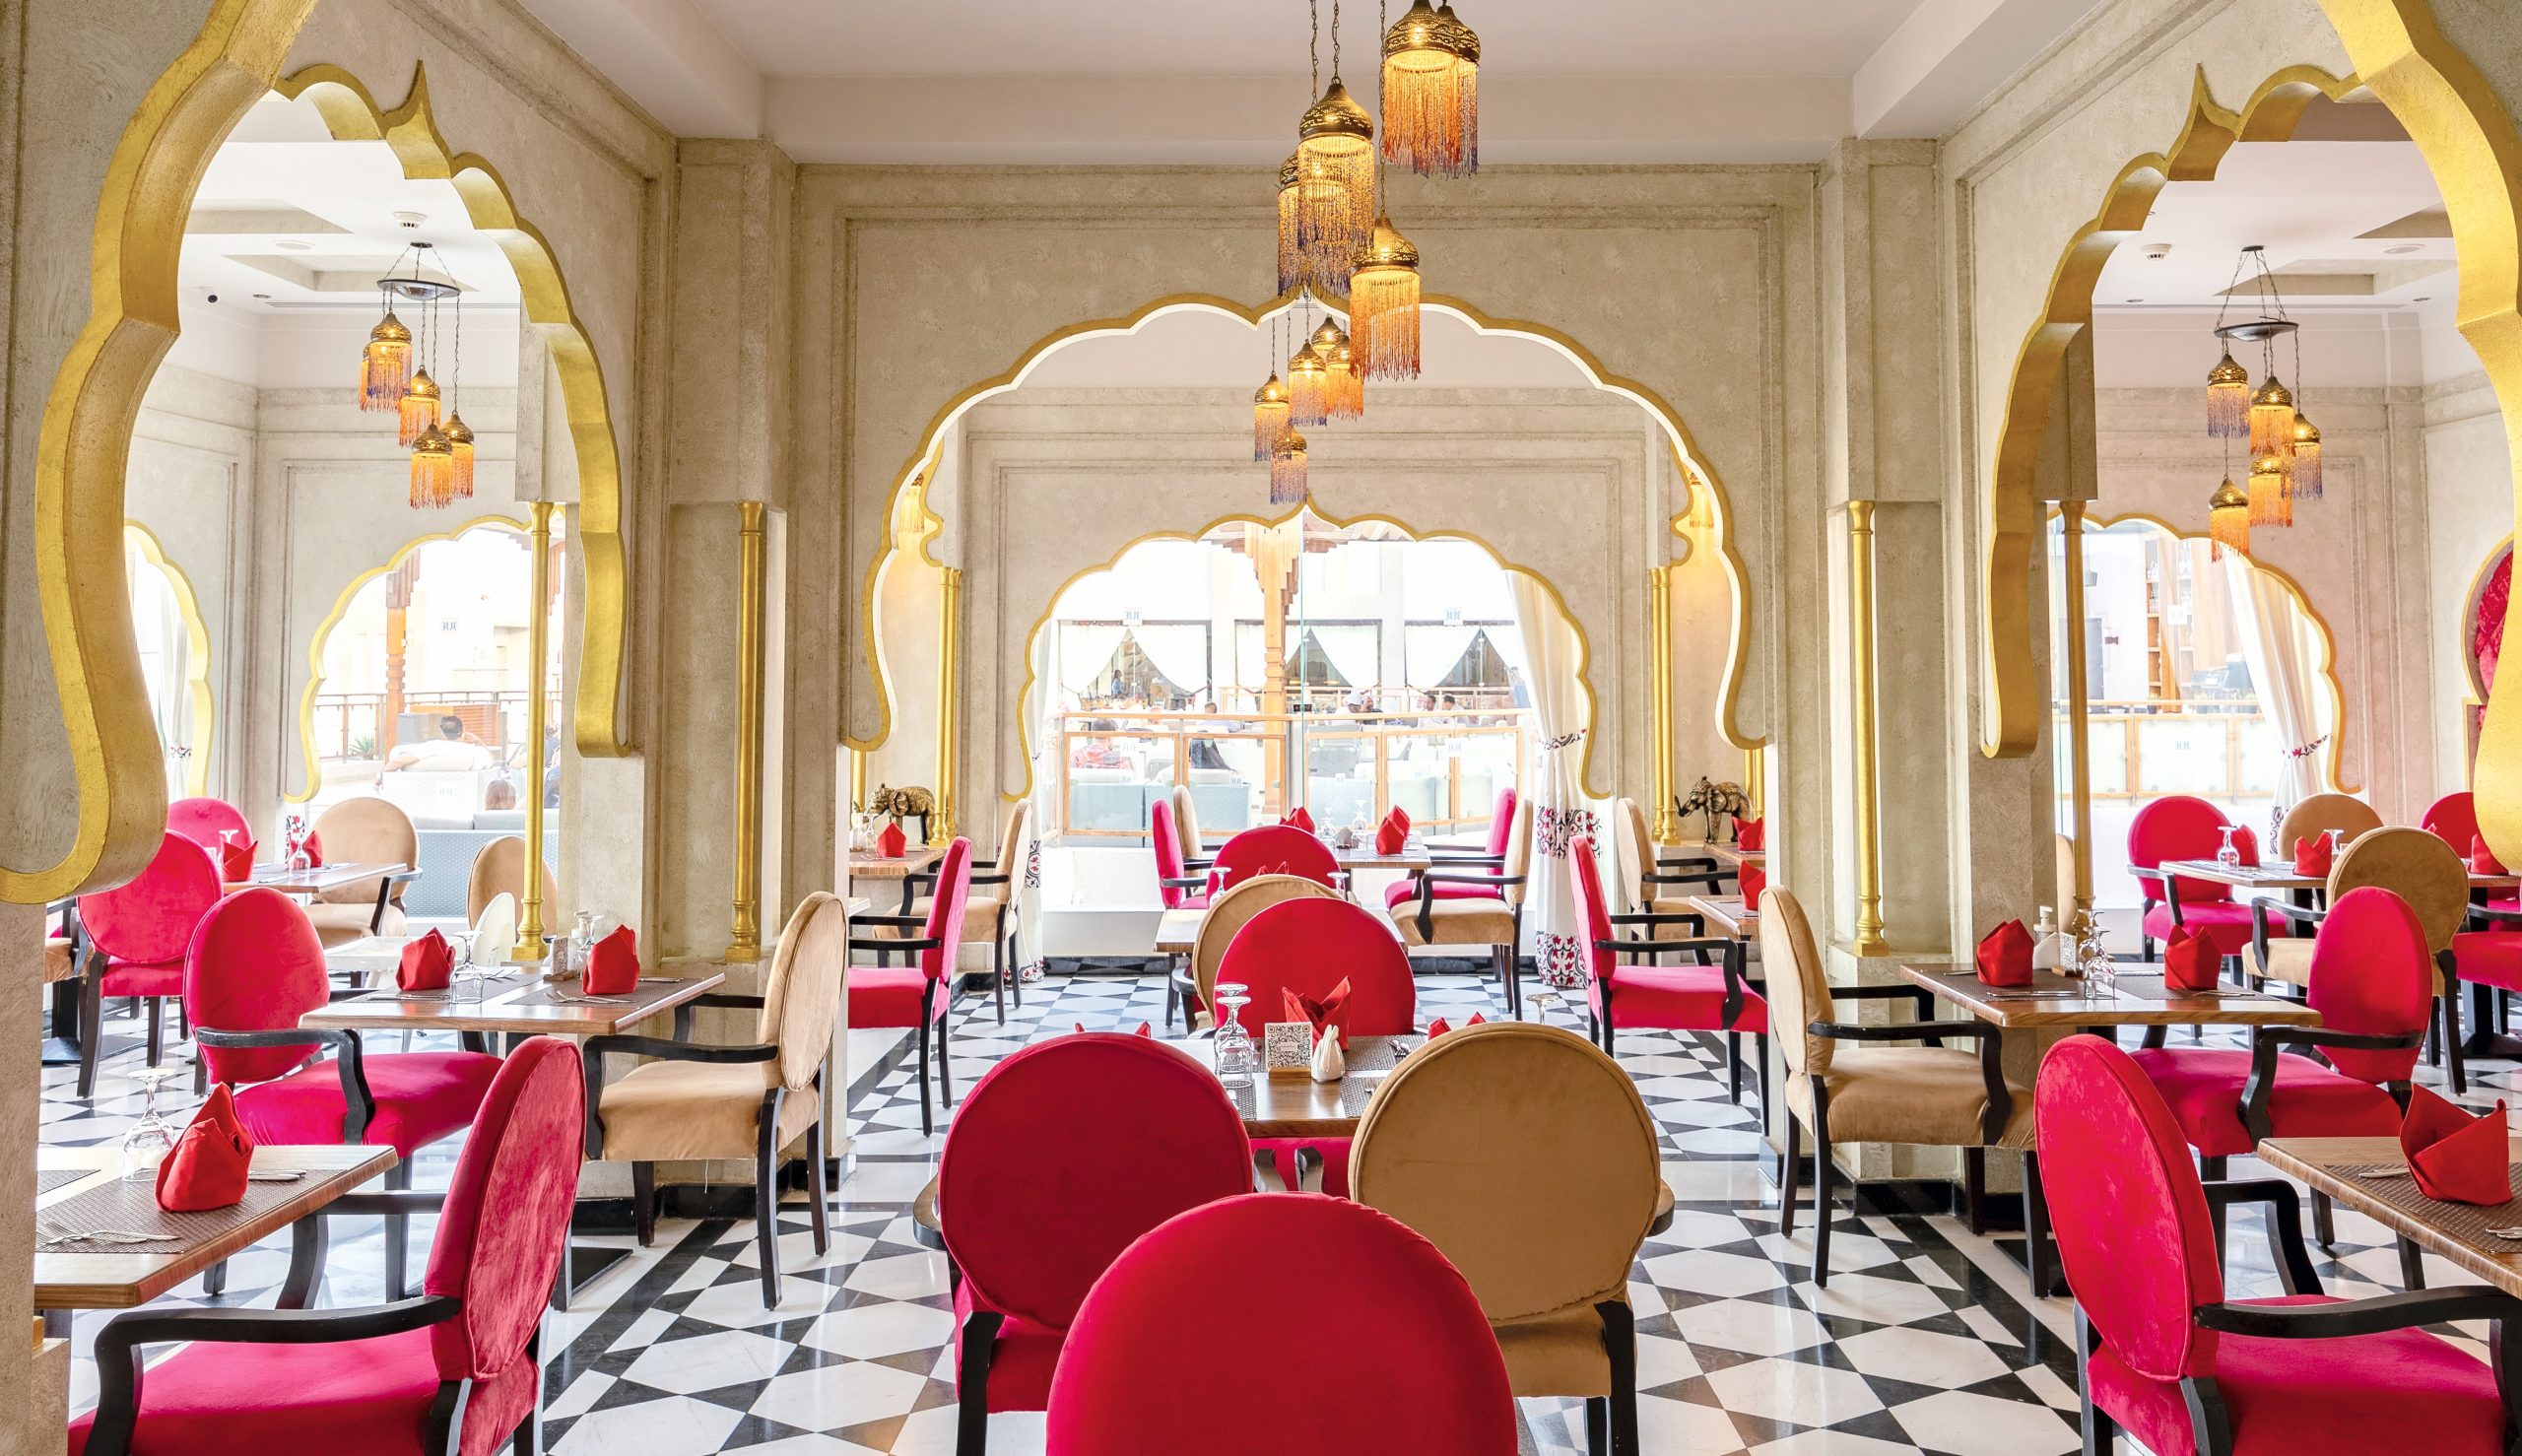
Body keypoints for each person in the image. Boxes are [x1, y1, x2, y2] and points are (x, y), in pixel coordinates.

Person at [386, 714, 494, 772]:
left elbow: (398, 762)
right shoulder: (474, 751)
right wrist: (478, 741)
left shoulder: (433, 746)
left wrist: (381, 774)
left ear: (443, 733)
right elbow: (492, 761)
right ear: (463, 731)